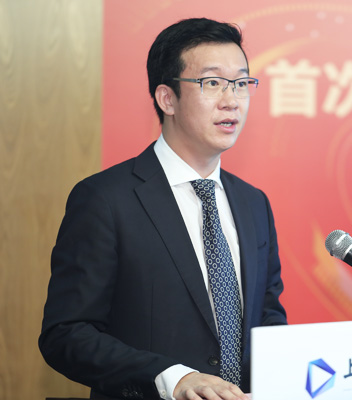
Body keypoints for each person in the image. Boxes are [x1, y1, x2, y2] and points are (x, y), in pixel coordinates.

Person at [39, 18, 287, 400]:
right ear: (167, 98)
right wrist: (172, 378)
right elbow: (67, 334)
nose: (231, 100)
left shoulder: (254, 203)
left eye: (241, 83)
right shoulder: (105, 199)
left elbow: (266, 318)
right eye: (212, 83)